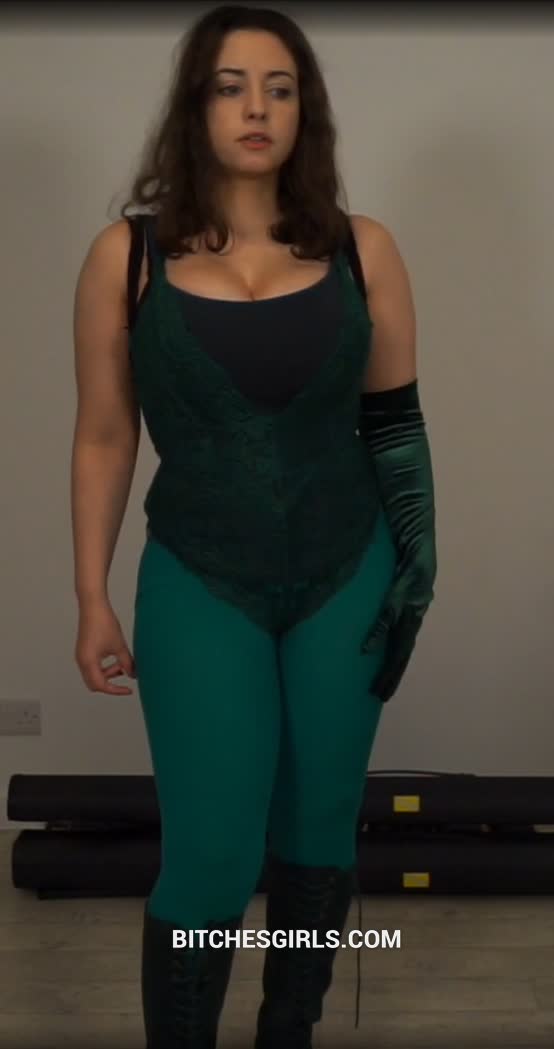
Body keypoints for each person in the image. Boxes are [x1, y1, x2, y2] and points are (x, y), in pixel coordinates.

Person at [71, 4, 437, 1047]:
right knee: (213, 852)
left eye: (279, 88)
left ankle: (290, 1029)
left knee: (318, 835)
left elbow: (395, 426)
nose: (256, 108)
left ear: (304, 110)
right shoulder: (127, 257)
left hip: (348, 574)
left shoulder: (363, 250)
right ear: (196, 106)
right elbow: (105, 435)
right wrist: (92, 594)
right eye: (231, 86)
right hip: (200, 575)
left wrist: (419, 566)